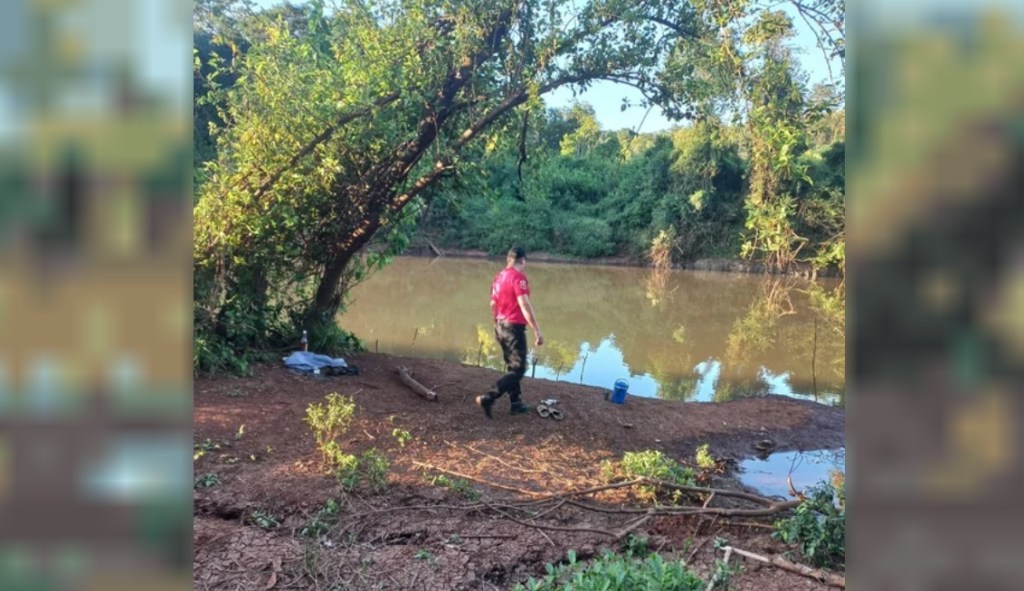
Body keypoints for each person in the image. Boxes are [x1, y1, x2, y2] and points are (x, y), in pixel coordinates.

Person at [476, 246, 544, 418]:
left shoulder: (498, 277)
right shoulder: (518, 277)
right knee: (519, 369)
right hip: (513, 328)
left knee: (512, 367)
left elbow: (493, 304)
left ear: (509, 259)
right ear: (523, 260)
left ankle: (516, 403)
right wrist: (537, 330)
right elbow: (524, 304)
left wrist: (496, 323)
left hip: (500, 325)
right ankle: (489, 397)